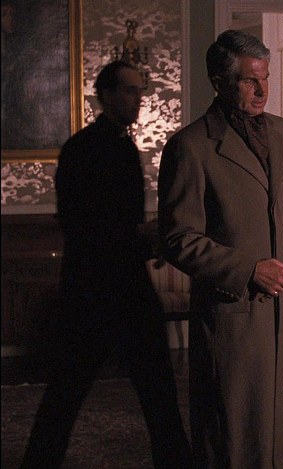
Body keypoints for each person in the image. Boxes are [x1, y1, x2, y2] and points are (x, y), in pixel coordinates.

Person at [20, 60, 192, 468]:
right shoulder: (86, 149)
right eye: (130, 90)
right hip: (97, 289)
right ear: (107, 95)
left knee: (151, 387)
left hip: (117, 285)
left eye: (140, 90)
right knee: (74, 389)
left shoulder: (116, 145)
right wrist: (140, 235)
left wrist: (141, 237)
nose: (138, 99)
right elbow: (82, 225)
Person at [157, 29, 283, 468]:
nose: (263, 90)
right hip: (233, 316)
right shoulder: (191, 146)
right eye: (249, 80)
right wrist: (248, 270)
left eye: (266, 78)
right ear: (219, 81)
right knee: (236, 440)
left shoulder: (282, 132)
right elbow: (177, 238)